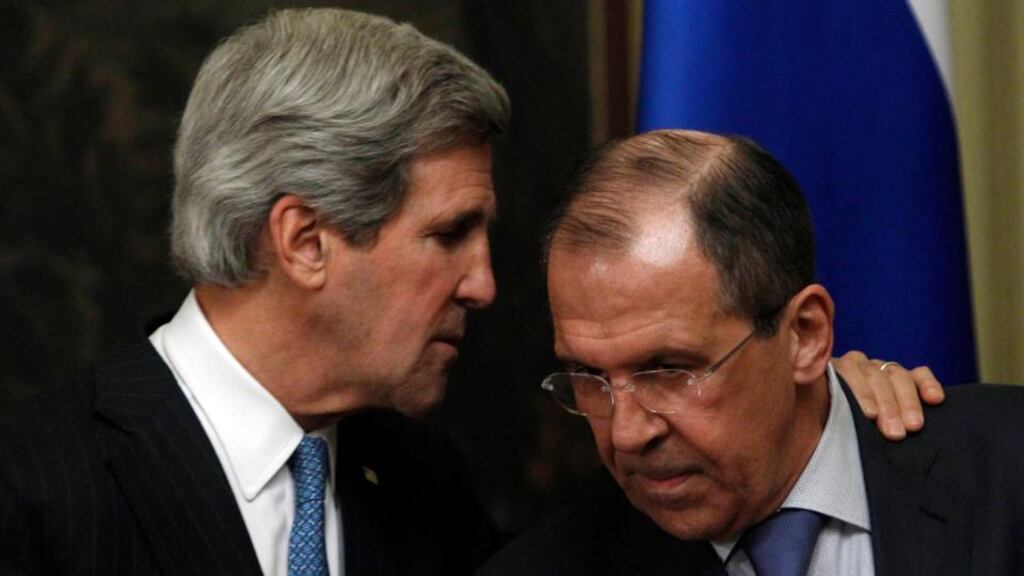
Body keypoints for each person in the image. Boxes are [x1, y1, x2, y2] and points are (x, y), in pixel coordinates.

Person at [0, 10, 942, 576]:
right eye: (450, 234)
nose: (486, 284)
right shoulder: (37, 493)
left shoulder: (415, 478)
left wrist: (813, 406)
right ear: (304, 240)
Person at [478, 129, 1024, 575]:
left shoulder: (1006, 473)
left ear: (805, 336)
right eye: (587, 375)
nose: (626, 434)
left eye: (668, 370)